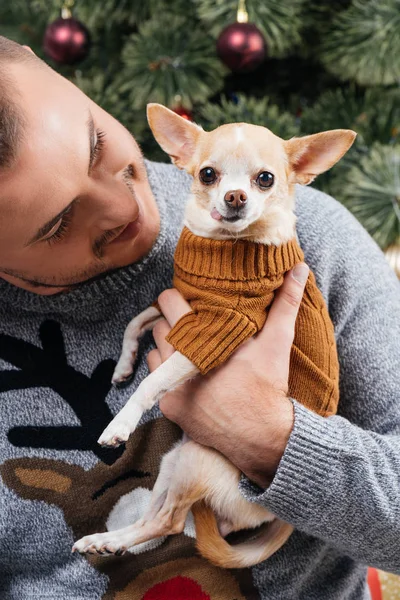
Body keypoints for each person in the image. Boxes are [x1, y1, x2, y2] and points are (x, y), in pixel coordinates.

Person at [0, 35, 399, 600]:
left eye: (96, 145)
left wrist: (272, 437)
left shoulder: (309, 238)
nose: (122, 207)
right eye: (57, 224)